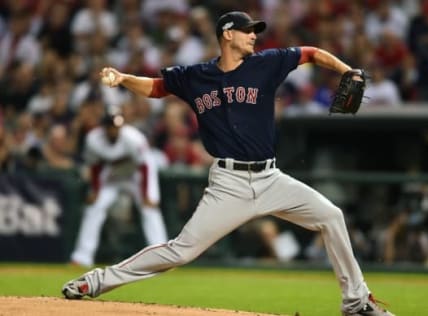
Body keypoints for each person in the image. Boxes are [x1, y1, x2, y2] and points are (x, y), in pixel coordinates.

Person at [62, 11, 395, 316]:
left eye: (255, 32)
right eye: (247, 31)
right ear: (227, 35)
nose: (253, 36)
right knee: (180, 252)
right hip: (228, 184)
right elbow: (158, 88)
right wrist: (123, 78)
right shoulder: (197, 76)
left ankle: (356, 302)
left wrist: (345, 70)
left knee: (331, 216)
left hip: (271, 178)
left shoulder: (266, 64)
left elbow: (310, 53)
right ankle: (96, 281)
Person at [69, 110, 168, 267]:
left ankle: (163, 258)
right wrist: (95, 190)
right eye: (111, 126)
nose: (114, 129)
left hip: (137, 176)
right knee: (94, 207)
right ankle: (82, 257)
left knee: (149, 209)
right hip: (112, 177)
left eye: (117, 126)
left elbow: (144, 166)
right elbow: (95, 166)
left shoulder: (133, 138)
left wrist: (146, 194)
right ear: (104, 127)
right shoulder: (93, 139)